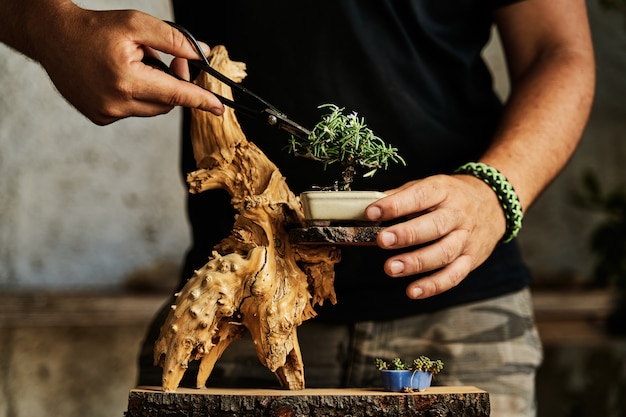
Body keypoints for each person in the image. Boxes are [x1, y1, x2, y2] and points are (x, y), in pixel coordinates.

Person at [1, 1, 595, 416]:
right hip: (236, 320)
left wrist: (497, 191)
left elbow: (559, 48)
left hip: (458, 318)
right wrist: (55, 26)